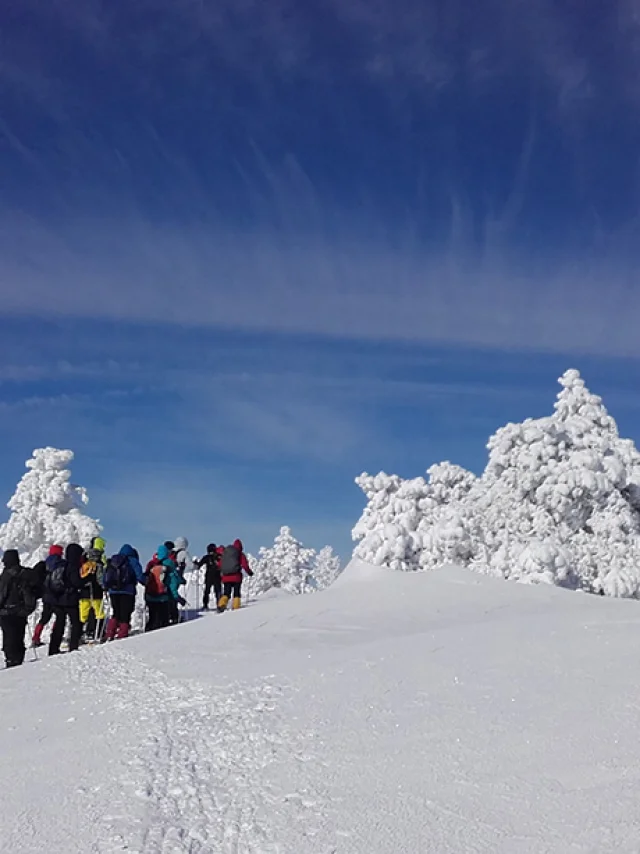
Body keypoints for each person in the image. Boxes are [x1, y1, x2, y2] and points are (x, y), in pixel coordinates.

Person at [0, 550, 40, 668]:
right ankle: (18, 659)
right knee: (18, 636)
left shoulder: (6, 576)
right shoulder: (26, 573)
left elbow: (1, 595)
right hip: (22, 611)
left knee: (9, 637)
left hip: (6, 612)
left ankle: (11, 661)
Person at [47, 543, 84, 656]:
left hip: (58, 599)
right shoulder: (73, 566)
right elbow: (76, 582)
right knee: (76, 623)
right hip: (70, 599)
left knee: (59, 623)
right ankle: (73, 646)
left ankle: (53, 648)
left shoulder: (61, 564)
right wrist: (85, 580)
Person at [103, 544, 145, 641]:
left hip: (113, 591)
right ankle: (122, 634)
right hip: (127, 591)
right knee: (125, 613)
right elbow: (139, 576)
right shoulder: (133, 561)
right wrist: (145, 581)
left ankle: (110, 633)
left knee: (116, 612)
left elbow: (106, 575)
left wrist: (106, 587)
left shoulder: (113, 560)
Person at [144, 545, 183, 632]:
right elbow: (172, 583)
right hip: (163, 597)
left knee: (152, 617)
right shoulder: (169, 563)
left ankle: (147, 633)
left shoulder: (151, 563)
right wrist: (177, 597)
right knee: (163, 620)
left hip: (150, 596)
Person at [31, 544, 63, 647]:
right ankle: (55, 636)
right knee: (60, 617)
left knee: (44, 618)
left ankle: (36, 638)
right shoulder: (61, 564)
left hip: (46, 595)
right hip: (58, 595)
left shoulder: (43, 564)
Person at [218, 539, 253, 612]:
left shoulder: (226, 553)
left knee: (226, 593)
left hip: (226, 577)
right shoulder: (240, 553)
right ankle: (236, 607)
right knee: (236, 592)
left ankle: (221, 604)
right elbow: (244, 565)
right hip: (236, 577)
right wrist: (249, 572)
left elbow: (220, 564)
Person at [195, 544, 222, 610]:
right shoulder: (219, 556)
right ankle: (219, 604)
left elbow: (199, 565)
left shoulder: (206, 557)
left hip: (209, 575)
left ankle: (205, 605)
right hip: (217, 575)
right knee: (218, 590)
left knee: (207, 591)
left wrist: (195, 563)